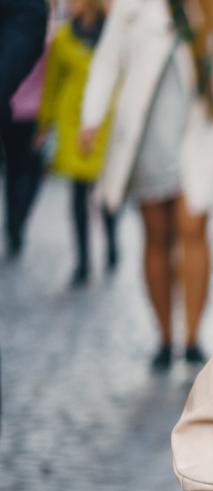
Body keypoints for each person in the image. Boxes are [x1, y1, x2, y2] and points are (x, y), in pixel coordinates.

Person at [81, 0, 213, 369]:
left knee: (194, 229)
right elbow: (108, 60)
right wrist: (91, 117)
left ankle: (191, 337)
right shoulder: (133, 7)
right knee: (156, 234)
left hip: (200, 132)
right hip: (146, 134)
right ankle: (164, 336)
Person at [37, 0, 118, 286]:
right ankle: (82, 260)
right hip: (72, 124)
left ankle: (112, 244)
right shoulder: (62, 38)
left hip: (106, 123)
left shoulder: (113, 34)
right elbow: (52, 83)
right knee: (78, 193)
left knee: (109, 190)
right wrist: (44, 123)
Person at [1, 10, 48, 262]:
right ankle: (16, 222)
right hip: (24, 115)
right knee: (27, 173)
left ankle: (14, 223)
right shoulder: (45, 39)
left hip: (25, 114)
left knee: (17, 172)